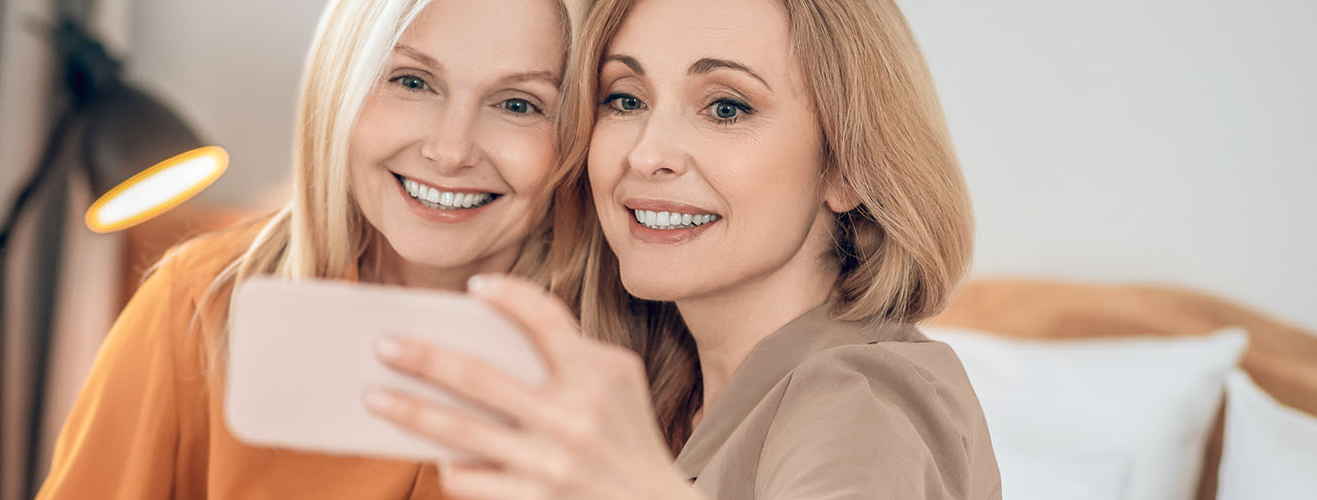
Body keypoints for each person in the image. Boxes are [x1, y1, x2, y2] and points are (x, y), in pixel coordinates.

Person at [365, 0, 1003, 498]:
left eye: (725, 108)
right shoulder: (674, 391)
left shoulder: (861, 397)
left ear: (843, 167)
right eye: (626, 99)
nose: (647, 154)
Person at [36, 0, 589, 498]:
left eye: (519, 105)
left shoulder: (614, 363)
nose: (450, 150)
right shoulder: (196, 305)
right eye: (413, 82)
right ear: (340, 86)